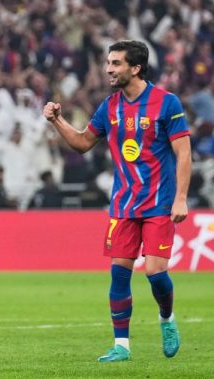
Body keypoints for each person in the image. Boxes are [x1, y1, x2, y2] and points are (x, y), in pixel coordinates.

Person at [43, 40, 191, 362]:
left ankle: (166, 318)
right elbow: (83, 142)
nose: (108, 69)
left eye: (116, 63)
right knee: (119, 273)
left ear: (135, 67)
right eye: (108, 62)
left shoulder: (166, 103)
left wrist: (181, 198)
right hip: (123, 204)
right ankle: (121, 346)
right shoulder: (110, 106)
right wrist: (57, 120)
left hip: (159, 203)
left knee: (155, 273)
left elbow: (183, 153)